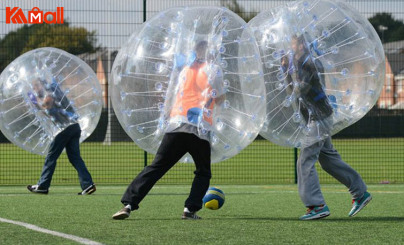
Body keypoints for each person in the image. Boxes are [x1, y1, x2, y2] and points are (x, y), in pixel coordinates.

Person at [112, 40, 224, 220]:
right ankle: (190, 209)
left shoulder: (184, 70)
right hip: (200, 128)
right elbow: (218, 98)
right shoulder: (213, 70)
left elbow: (173, 95)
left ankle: (128, 205)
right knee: (203, 171)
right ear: (209, 52)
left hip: (177, 124)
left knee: (157, 166)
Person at [285, 35, 371, 220]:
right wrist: (286, 68)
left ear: (301, 44)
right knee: (328, 160)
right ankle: (360, 192)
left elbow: (300, 89)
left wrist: (288, 71)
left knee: (305, 161)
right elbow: (294, 90)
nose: (290, 46)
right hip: (318, 117)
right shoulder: (299, 63)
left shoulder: (309, 63)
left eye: (293, 42)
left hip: (319, 118)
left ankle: (316, 205)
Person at [27, 78, 96, 195]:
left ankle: (43, 185)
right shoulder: (55, 91)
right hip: (74, 127)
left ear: (41, 85)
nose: (34, 89)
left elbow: (47, 106)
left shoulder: (49, 93)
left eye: (35, 86)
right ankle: (88, 184)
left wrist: (34, 102)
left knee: (51, 156)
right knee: (74, 157)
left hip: (65, 128)